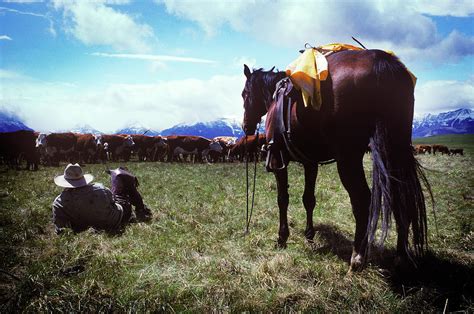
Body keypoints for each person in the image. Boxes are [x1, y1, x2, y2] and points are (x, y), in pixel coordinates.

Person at [52, 163, 152, 234]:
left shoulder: (58, 203)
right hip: (115, 221)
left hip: (82, 228)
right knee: (121, 192)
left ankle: (119, 174)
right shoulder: (100, 188)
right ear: (82, 178)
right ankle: (119, 175)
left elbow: (60, 227)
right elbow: (113, 202)